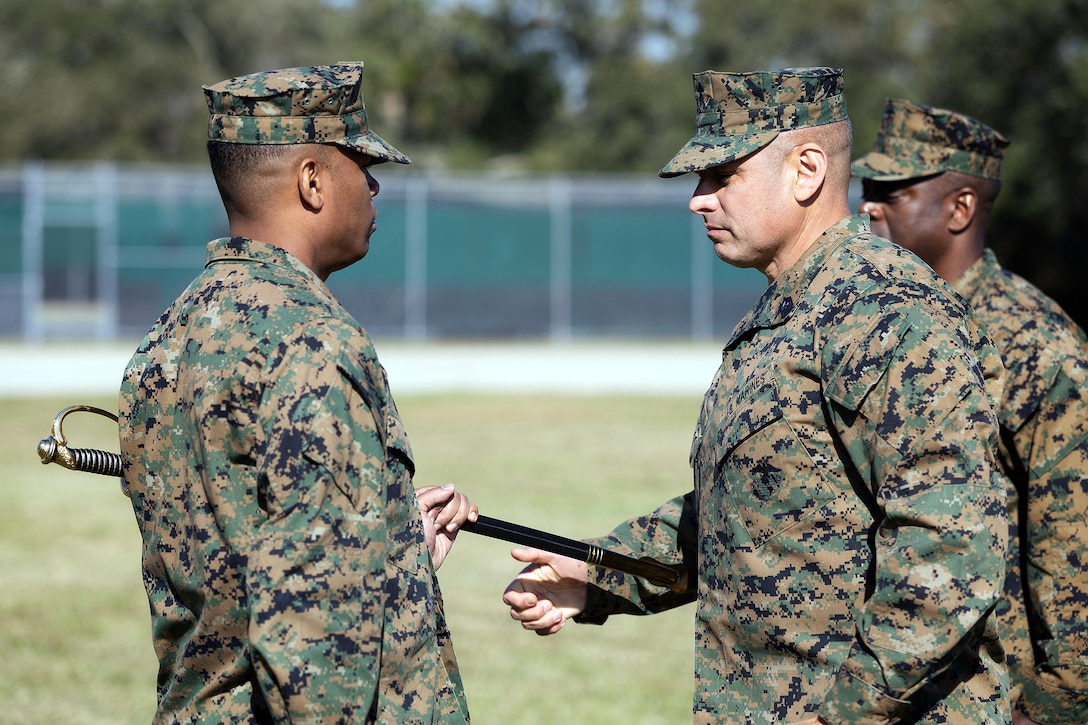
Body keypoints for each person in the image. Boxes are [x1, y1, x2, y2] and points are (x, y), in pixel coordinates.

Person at [502, 68, 1011, 723]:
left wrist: (841, 714)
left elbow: (949, 553)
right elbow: (756, 506)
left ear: (805, 170)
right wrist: (597, 571)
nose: (698, 199)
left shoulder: (892, 314)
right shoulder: (794, 310)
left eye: (723, 176)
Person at [118, 62, 477, 724]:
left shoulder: (171, 333)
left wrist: (391, 549)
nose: (373, 185)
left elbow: (239, 560)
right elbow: (314, 662)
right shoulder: (314, 345)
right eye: (358, 164)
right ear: (313, 180)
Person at [853, 98, 1088, 725]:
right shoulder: (880, 327)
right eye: (868, 187)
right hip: (875, 687)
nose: (868, 205)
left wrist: (1048, 712)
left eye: (894, 191)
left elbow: (1073, 555)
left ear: (960, 208)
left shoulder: (1037, 346)